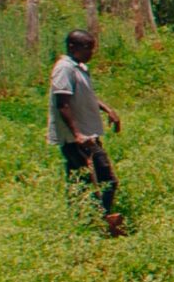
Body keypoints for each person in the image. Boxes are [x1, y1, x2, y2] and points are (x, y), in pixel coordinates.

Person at [49, 28, 126, 234]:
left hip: (87, 136)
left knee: (84, 182)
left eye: (92, 48)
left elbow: (87, 96)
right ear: (73, 47)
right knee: (101, 181)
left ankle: (93, 223)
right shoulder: (64, 68)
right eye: (87, 48)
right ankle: (98, 223)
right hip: (77, 139)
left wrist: (108, 110)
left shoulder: (79, 67)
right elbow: (62, 102)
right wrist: (77, 134)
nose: (92, 52)